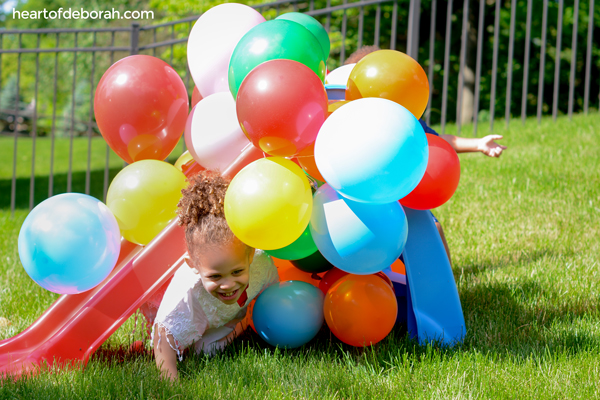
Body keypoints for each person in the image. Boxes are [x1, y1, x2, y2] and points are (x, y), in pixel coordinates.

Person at [344, 46, 508, 262]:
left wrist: (478, 144)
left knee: (433, 228)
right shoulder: (346, 119)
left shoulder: (402, 119)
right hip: (355, 193)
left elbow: (435, 142)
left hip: (399, 190)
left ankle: (445, 283)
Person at [147, 170, 279, 381]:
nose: (228, 284)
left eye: (237, 271)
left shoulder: (261, 263)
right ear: (194, 266)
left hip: (223, 319)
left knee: (206, 350)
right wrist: (171, 384)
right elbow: (163, 338)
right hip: (187, 309)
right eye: (215, 277)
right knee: (196, 351)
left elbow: (271, 294)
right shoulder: (186, 296)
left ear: (251, 255)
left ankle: (237, 327)